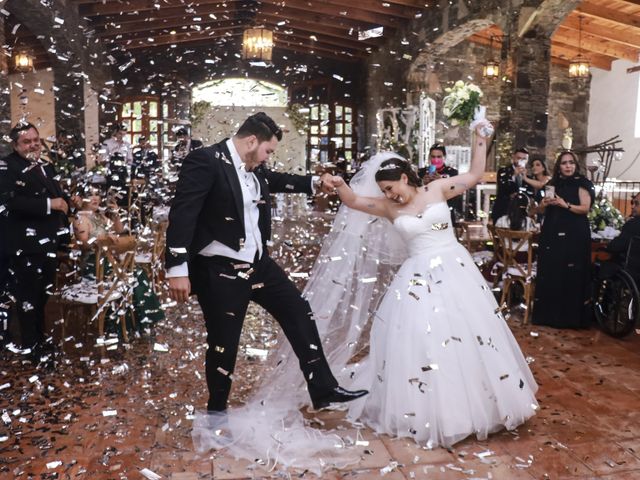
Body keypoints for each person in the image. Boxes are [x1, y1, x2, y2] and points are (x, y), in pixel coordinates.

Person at [325, 120, 538, 448]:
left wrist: (480, 139)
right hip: (417, 278)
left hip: (454, 268)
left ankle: (480, 406)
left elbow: (474, 176)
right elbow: (353, 201)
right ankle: (432, 410)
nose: (388, 195)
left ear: (406, 178)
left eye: (391, 187)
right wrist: (339, 183)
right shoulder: (386, 207)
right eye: (383, 191)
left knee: (469, 332)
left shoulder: (436, 189)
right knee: (422, 336)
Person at [165, 112, 367, 414]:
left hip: (259, 264)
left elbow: (277, 180)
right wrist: (177, 268)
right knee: (224, 343)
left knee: (298, 312)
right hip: (220, 270)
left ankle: (323, 389)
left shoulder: (253, 166)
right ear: (251, 141)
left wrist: (315, 181)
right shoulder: (205, 160)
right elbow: (183, 214)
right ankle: (216, 412)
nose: (268, 157)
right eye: (268, 150)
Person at [0, 122, 71, 360]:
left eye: (35, 140)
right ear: (15, 144)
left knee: (43, 295)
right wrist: (50, 205)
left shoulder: (46, 166)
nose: (32, 145)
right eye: (26, 141)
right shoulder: (6, 167)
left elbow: (58, 194)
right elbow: (9, 203)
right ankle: (32, 347)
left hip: (47, 244)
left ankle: (40, 339)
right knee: (27, 297)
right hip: (24, 245)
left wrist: (73, 200)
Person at [532, 151, 595, 329]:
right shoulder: (552, 184)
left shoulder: (582, 183)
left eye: (571, 163)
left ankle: (571, 318)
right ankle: (549, 316)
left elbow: (585, 208)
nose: (568, 166)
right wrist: (543, 205)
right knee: (552, 270)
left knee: (572, 273)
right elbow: (540, 211)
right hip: (552, 231)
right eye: (564, 163)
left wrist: (565, 204)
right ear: (558, 166)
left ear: (575, 165)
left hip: (575, 233)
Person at [418, 143, 463, 223]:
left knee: (440, 232)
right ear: (429, 157)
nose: (436, 159)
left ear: (444, 157)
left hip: (444, 214)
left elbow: (456, 194)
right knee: (428, 233)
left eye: (439, 157)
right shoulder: (422, 172)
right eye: (433, 156)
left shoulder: (452, 172)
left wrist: (442, 181)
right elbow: (415, 193)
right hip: (426, 214)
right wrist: (422, 183)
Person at [605, 193, 640, 280]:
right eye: (632, 203)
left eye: (636, 203)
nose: (632, 206)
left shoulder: (633, 224)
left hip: (633, 271)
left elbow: (616, 247)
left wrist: (607, 246)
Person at [491, 147, 529, 224]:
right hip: (504, 209)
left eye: (524, 159)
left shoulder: (528, 174)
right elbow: (503, 188)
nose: (520, 161)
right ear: (513, 157)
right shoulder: (503, 171)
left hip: (521, 211)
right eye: (518, 158)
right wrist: (514, 176)